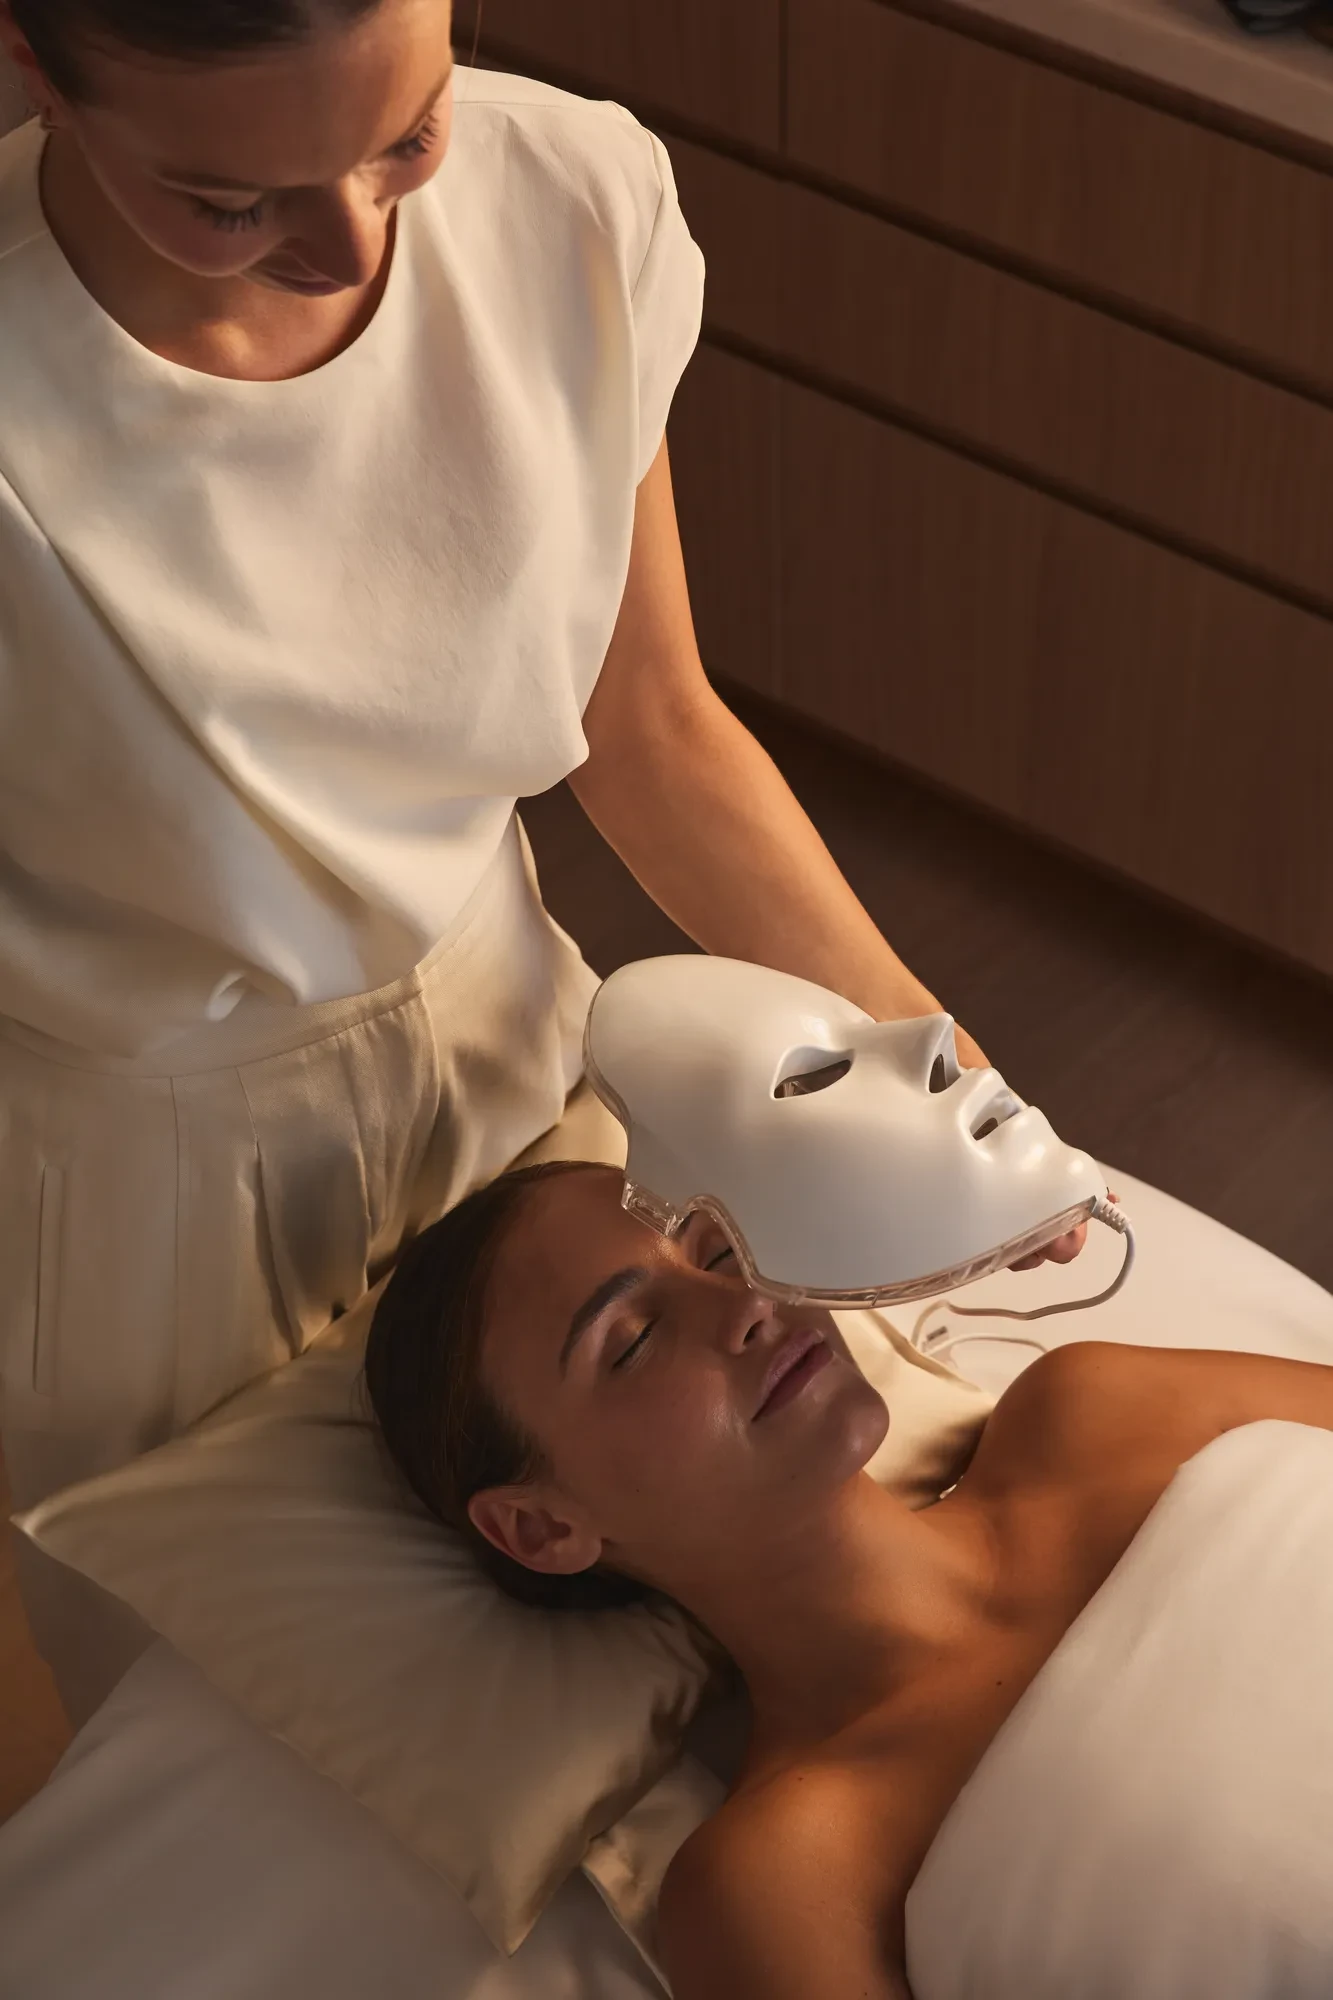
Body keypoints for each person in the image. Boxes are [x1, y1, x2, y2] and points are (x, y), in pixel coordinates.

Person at [0, 0, 1084, 1537]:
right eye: (231, 203)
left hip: (524, 1073)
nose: (351, 243)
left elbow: (651, 727)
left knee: (780, 1549)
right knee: (236, 1648)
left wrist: (944, 1069)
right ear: (33, 64)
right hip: (146, 1195)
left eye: (405, 136)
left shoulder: (569, 198)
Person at [364, 1156, 1333, 2000]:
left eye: (717, 1251)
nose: (746, 1304)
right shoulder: (785, 1880)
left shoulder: (1099, 1409)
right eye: (633, 1338)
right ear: (542, 1526)